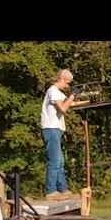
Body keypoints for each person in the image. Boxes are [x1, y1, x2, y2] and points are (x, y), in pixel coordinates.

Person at [40, 68, 89, 200]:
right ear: (62, 79)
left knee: (60, 161)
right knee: (54, 161)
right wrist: (72, 94)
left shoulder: (57, 93)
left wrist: (87, 102)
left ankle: (63, 189)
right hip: (51, 129)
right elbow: (63, 108)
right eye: (67, 83)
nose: (67, 86)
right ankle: (50, 191)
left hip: (56, 130)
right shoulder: (53, 91)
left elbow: (68, 104)